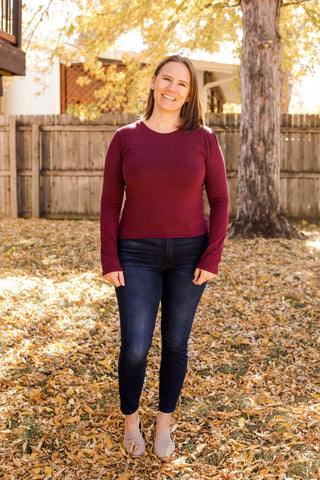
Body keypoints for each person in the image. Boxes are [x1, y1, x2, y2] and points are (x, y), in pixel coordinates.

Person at [100, 55, 229, 460]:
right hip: (135, 254)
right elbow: (108, 203)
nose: (172, 89)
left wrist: (212, 257)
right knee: (135, 347)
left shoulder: (204, 139)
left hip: (190, 253)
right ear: (154, 82)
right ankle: (131, 422)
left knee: (175, 344)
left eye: (183, 84)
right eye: (167, 79)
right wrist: (110, 258)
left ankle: (163, 427)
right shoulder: (125, 138)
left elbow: (221, 201)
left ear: (190, 94)